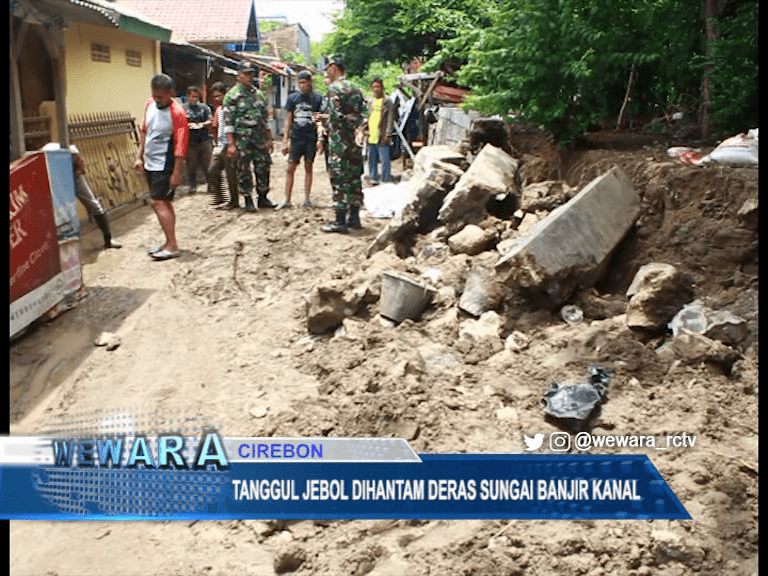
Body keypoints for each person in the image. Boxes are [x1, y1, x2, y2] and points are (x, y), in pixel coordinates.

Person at [134, 73, 188, 260]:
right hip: (150, 162)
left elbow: (181, 145)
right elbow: (144, 131)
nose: (157, 99)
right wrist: (139, 157)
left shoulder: (178, 114)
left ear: (170, 93)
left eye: (161, 96)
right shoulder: (150, 104)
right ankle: (169, 242)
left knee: (159, 203)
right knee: (162, 203)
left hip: (164, 164)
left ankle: (172, 245)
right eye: (155, 95)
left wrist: (176, 173)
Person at [318, 55, 366, 233]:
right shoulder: (357, 88)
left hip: (339, 142)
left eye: (327, 68)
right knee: (354, 179)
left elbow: (334, 116)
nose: (326, 72)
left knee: (339, 179)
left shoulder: (334, 89)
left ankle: (340, 221)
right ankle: (354, 217)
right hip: (354, 143)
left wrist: (325, 125)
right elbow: (362, 116)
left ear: (333, 68)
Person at [223, 61, 275, 212]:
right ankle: (248, 199)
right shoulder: (232, 96)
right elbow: (228, 123)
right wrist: (231, 144)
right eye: (246, 73)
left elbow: (265, 119)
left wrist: (269, 139)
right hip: (242, 141)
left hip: (260, 140)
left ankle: (263, 197)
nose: (249, 76)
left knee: (263, 168)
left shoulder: (258, 94)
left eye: (251, 73)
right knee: (244, 170)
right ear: (239, 75)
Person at [279, 70, 324, 209]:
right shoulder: (293, 98)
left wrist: (320, 139)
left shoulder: (317, 98)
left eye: (304, 82)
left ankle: (307, 199)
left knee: (308, 167)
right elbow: (288, 120)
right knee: (290, 168)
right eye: (300, 83)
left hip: (310, 138)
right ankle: (287, 200)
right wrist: (285, 140)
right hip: (296, 138)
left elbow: (319, 120)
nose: (302, 85)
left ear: (310, 82)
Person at [206, 82, 239, 208]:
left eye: (218, 95)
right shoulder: (219, 109)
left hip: (229, 145)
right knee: (212, 171)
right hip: (220, 145)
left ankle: (234, 200)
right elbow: (215, 126)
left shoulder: (231, 108)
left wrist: (231, 144)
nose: (216, 98)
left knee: (231, 175)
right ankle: (220, 196)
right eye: (214, 96)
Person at [364, 78, 397, 185]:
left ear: (382, 88)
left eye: (378, 87)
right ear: (371, 88)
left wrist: (388, 133)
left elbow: (390, 118)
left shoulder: (388, 101)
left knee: (384, 158)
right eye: (374, 87)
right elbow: (366, 116)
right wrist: (363, 130)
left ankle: (386, 178)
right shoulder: (370, 101)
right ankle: (373, 177)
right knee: (371, 158)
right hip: (371, 133)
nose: (377, 89)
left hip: (382, 133)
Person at [183, 85, 212, 194]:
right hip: (191, 142)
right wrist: (188, 125)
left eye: (196, 96)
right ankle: (192, 186)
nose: (194, 98)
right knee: (191, 165)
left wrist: (201, 125)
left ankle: (211, 185)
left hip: (204, 140)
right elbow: (179, 122)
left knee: (207, 164)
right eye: (192, 96)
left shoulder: (204, 108)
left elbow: (210, 120)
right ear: (188, 96)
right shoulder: (184, 108)